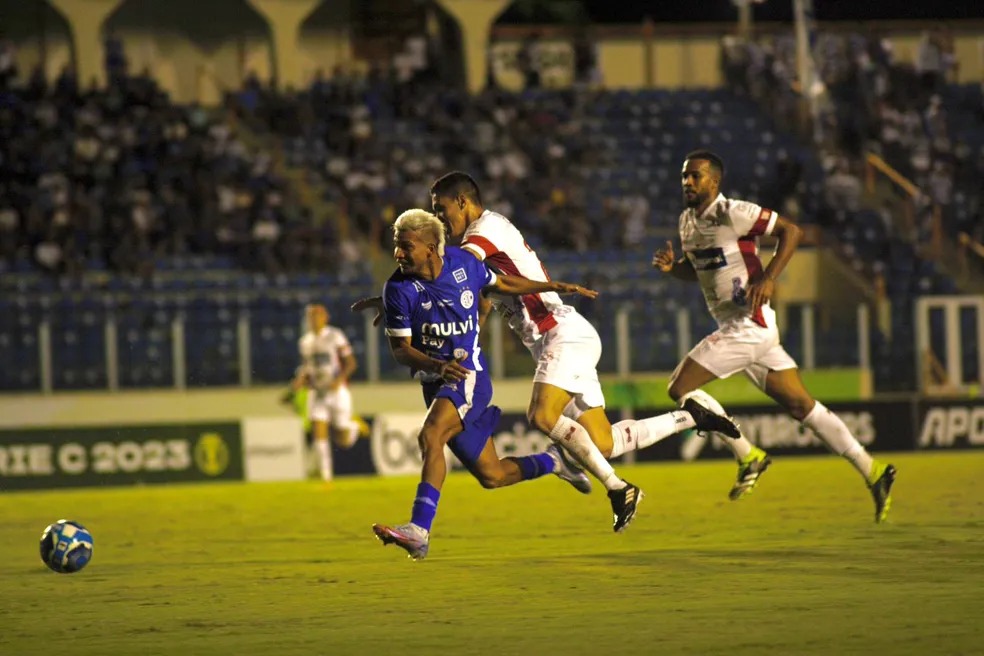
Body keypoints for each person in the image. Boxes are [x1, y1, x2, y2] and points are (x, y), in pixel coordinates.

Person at [427, 171, 742, 532]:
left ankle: (618, 488)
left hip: (562, 335)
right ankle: (693, 416)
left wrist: (407, 290)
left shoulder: (485, 230)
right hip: (560, 340)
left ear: (463, 202)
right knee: (603, 445)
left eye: (441, 208)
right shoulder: (481, 245)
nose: (438, 218)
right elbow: (478, 301)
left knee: (542, 415)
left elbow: (454, 269)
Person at [652, 149, 897, 523]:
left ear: (714, 181)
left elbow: (792, 231)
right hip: (741, 329)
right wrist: (674, 270)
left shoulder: (733, 212)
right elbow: (700, 270)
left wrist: (768, 277)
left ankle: (748, 455)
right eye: (684, 175)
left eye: (695, 176)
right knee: (803, 407)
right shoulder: (687, 222)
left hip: (748, 326)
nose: (687, 182)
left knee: (679, 388)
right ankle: (874, 471)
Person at [369, 209, 597, 560]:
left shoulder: (464, 264)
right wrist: (435, 365)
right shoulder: (398, 289)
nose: (398, 254)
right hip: (439, 380)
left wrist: (552, 286)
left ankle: (418, 530)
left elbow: (502, 283)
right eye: (396, 245)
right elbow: (401, 350)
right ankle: (554, 462)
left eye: (405, 246)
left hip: (468, 376)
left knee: (430, 436)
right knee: (492, 475)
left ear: (431, 246)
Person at [287, 303, 364, 481]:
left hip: (337, 391)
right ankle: (326, 476)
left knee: (343, 439)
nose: (313, 321)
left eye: (316, 316)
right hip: (317, 392)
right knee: (318, 431)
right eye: (310, 317)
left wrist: (339, 380)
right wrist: (301, 380)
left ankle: (354, 427)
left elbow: (351, 363)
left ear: (325, 318)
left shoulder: (335, 336)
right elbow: (308, 368)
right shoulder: (305, 342)